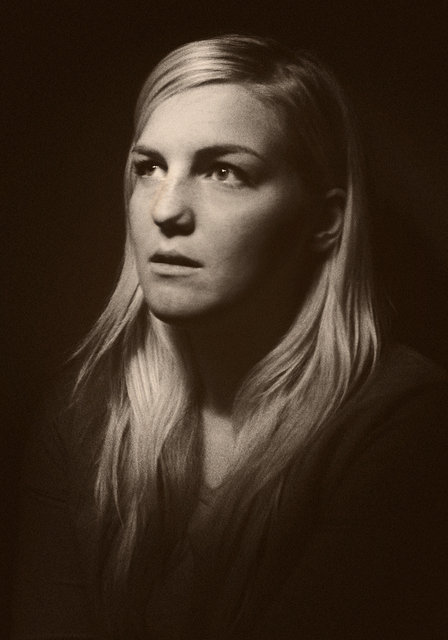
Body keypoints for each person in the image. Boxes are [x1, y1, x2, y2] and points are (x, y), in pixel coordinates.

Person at [13, 34, 448, 640]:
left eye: (224, 171)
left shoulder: (403, 422)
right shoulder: (84, 412)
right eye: (149, 167)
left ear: (325, 221)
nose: (165, 210)